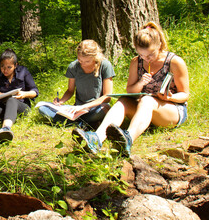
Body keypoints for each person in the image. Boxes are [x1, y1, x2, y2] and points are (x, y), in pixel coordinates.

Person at [72, 22, 189, 156]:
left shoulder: (174, 62)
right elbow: (131, 90)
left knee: (147, 100)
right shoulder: (136, 62)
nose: (146, 59)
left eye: (150, 55)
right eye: (142, 55)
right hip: (145, 109)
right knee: (123, 101)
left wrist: (169, 97)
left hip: (171, 110)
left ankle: (128, 139)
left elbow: (184, 94)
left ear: (160, 45)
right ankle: (96, 138)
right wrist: (140, 83)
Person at [38, 40, 114, 128]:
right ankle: (83, 122)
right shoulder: (73, 66)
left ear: (95, 57)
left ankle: (75, 122)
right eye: (80, 60)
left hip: (96, 107)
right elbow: (70, 91)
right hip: (77, 108)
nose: (83, 64)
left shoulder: (105, 65)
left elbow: (107, 97)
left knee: (104, 109)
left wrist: (84, 107)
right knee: (43, 109)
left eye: (87, 61)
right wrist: (61, 101)